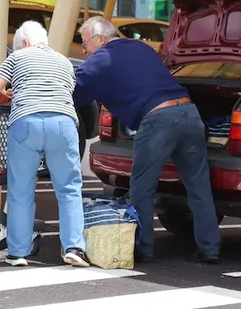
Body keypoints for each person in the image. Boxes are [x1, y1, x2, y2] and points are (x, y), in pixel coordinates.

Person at [72, 16, 221, 264]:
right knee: (199, 187)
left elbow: (75, 90)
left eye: (85, 43)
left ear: (100, 39)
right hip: (189, 113)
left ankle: (143, 248)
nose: (84, 50)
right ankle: (210, 249)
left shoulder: (102, 57)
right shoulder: (140, 47)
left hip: (158, 119)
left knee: (142, 188)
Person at [0, 20, 90, 268]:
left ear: (25, 43)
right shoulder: (65, 62)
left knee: (21, 190)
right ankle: (74, 247)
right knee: (69, 189)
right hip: (63, 125)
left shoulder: (17, 58)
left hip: (26, 123)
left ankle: (18, 252)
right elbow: (60, 91)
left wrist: (10, 91)